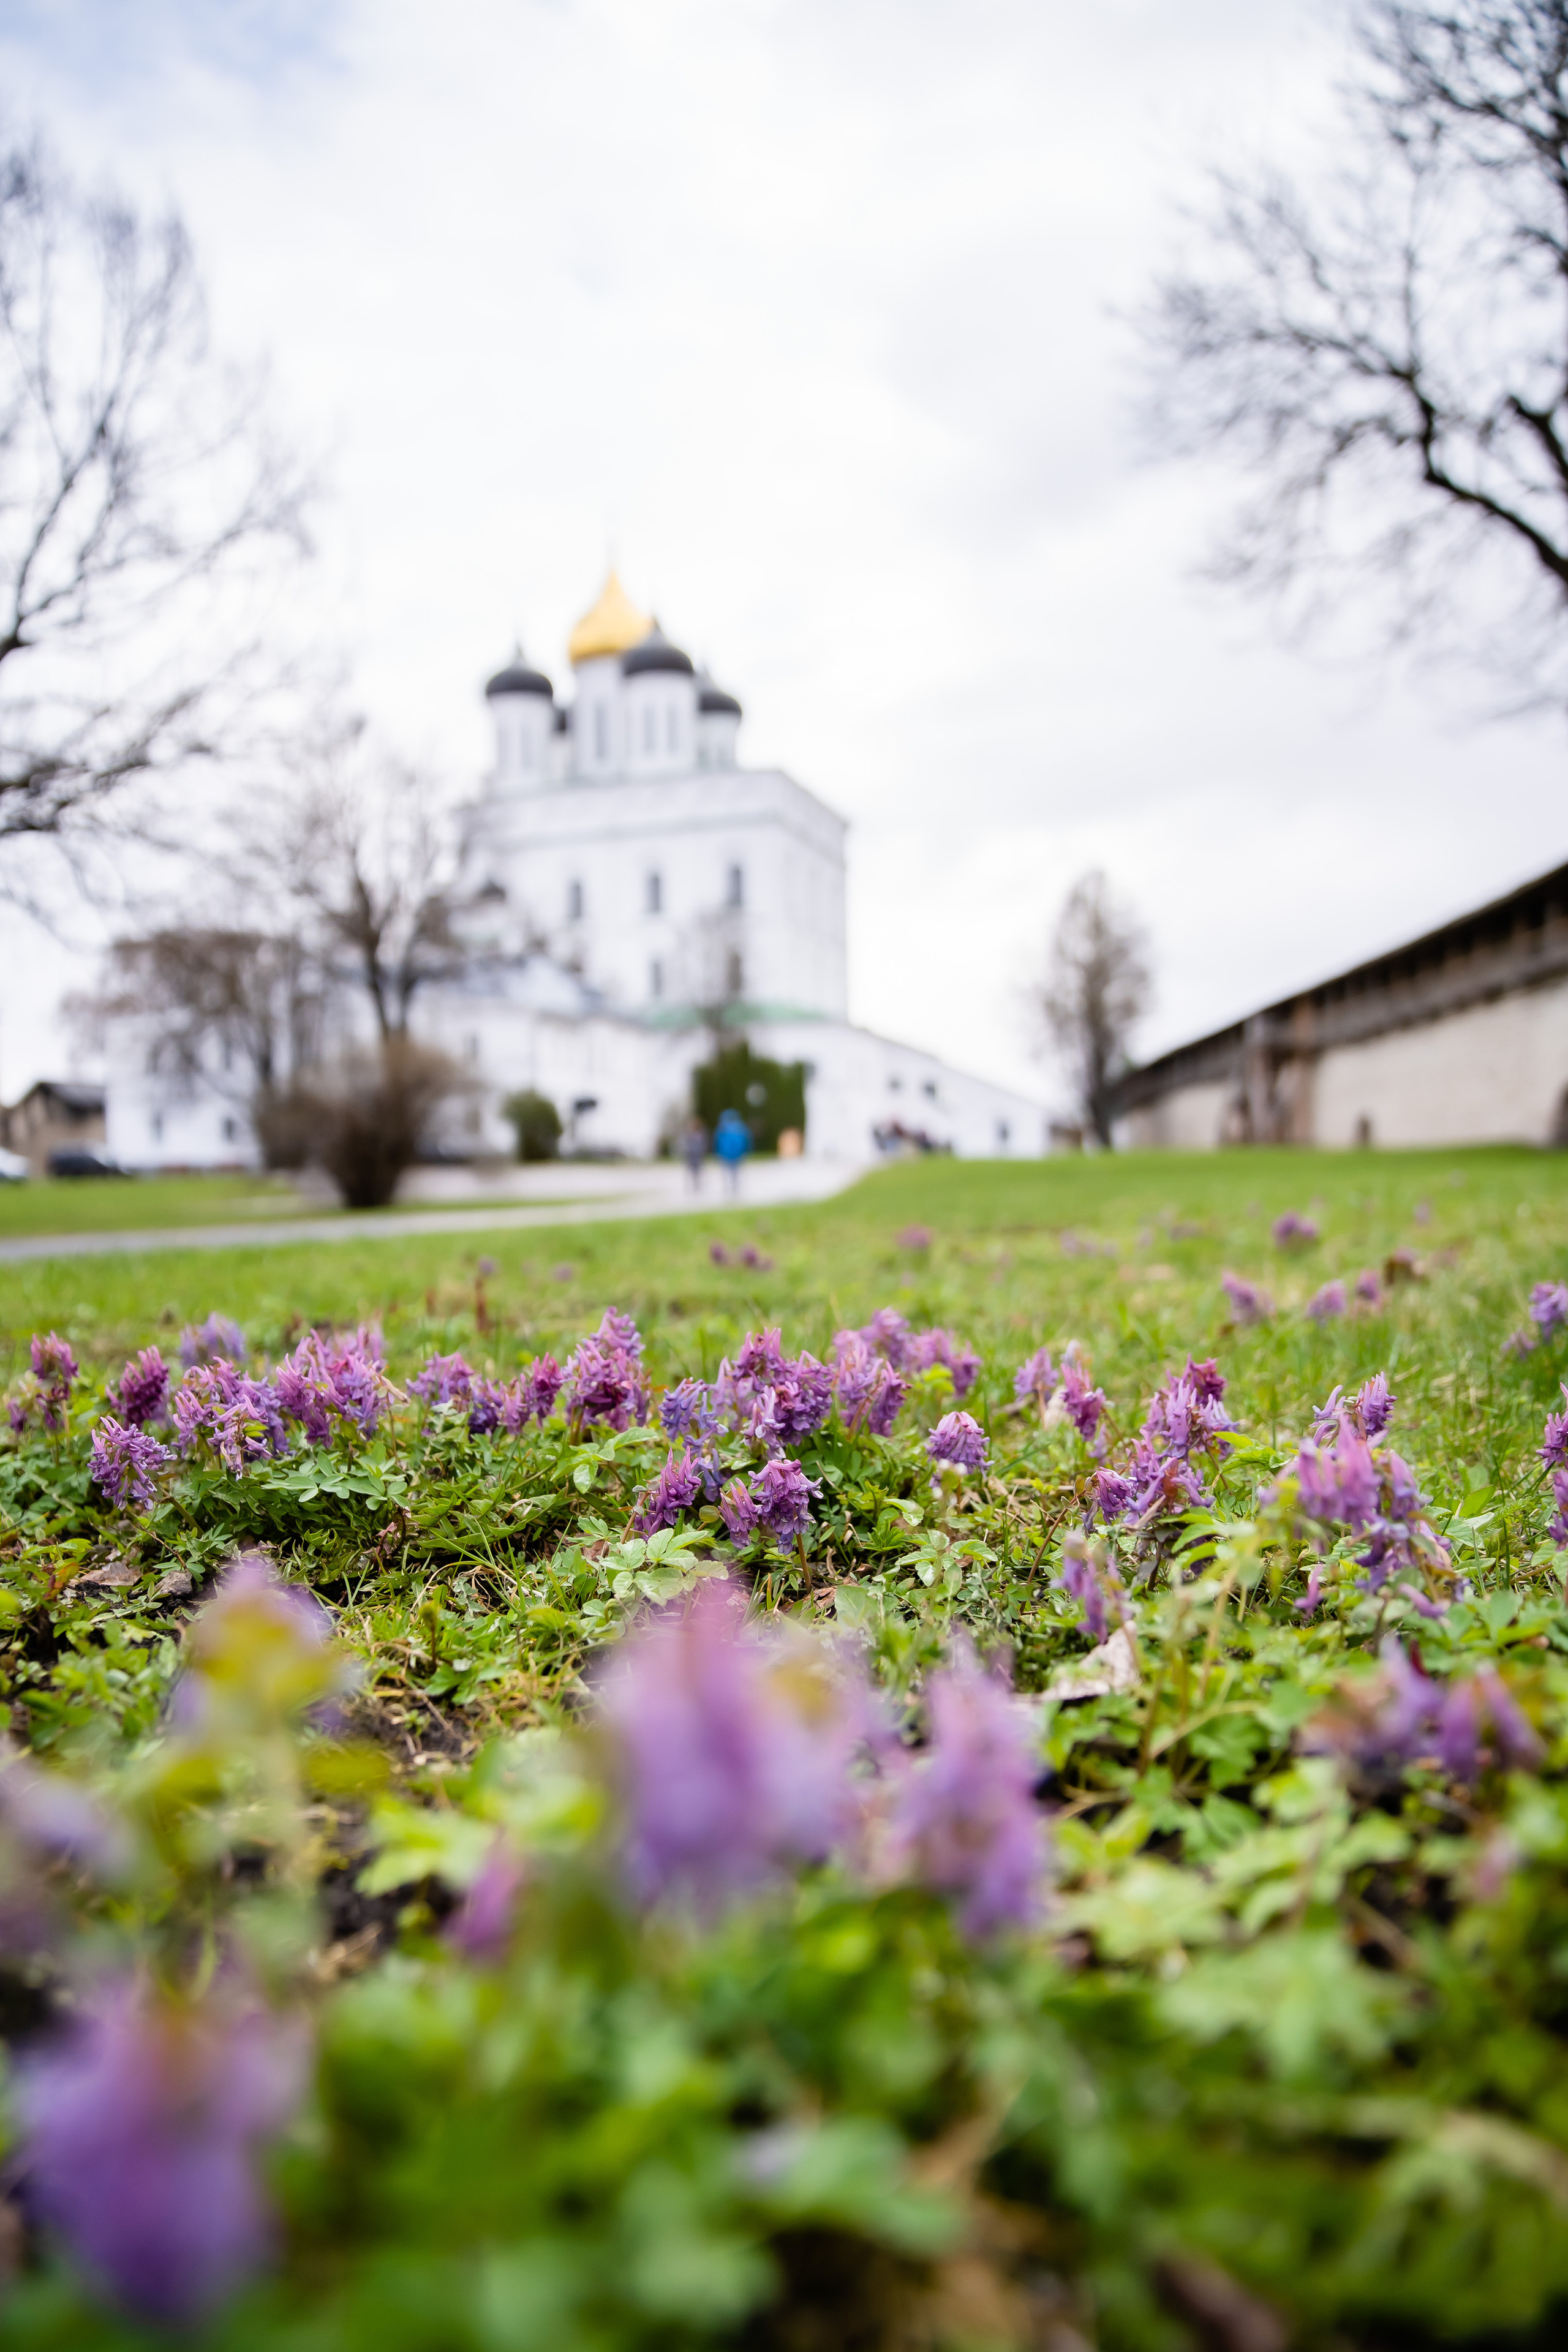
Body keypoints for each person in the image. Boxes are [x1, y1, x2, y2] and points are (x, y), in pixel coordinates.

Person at [712, 1106, 751, 1196]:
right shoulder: (741, 1127)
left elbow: (716, 1141)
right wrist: (747, 1151)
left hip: (724, 1154)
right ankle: (735, 1188)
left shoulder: (722, 1127)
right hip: (738, 1154)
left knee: (726, 1172)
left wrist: (716, 1152)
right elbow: (747, 1140)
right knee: (735, 1172)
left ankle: (728, 1188)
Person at [680, 1117, 707, 1191]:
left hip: (698, 1156)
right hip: (691, 1156)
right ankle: (692, 1186)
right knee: (691, 1172)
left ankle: (698, 1186)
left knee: (698, 1172)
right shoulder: (689, 1134)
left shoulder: (701, 1134)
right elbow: (686, 1145)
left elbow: (703, 1145)